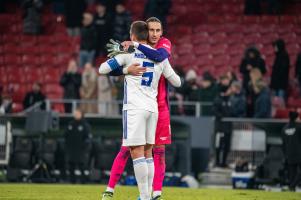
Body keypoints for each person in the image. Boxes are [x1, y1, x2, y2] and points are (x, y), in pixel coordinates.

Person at [99, 21, 181, 200]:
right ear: (147, 33)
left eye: (158, 30)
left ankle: (144, 197)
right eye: (151, 30)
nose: (155, 33)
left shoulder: (129, 53)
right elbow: (177, 82)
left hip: (135, 108)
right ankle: (150, 194)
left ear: (132, 35)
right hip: (153, 109)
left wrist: (127, 70)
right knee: (148, 153)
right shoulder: (161, 58)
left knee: (135, 152)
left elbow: (102, 69)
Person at [65, 109, 91, 183]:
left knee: (81, 166)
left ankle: (84, 181)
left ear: (81, 114)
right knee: (71, 166)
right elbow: (66, 136)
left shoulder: (85, 125)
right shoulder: (70, 124)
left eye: (77, 113)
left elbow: (88, 138)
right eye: (75, 113)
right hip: (71, 149)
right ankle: (72, 181)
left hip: (81, 150)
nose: (76, 115)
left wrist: (85, 147)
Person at [213, 75, 232, 168]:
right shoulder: (218, 99)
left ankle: (224, 162)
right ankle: (217, 162)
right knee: (218, 145)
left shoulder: (230, 100)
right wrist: (222, 117)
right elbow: (215, 111)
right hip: (220, 127)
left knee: (227, 146)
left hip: (228, 127)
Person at [282, 111, 301, 191]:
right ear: (296, 118)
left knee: (292, 173)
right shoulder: (299, 127)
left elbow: (283, 143)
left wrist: (285, 153)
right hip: (299, 153)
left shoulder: (284, 128)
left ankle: (292, 188)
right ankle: (292, 186)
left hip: (289, 154)